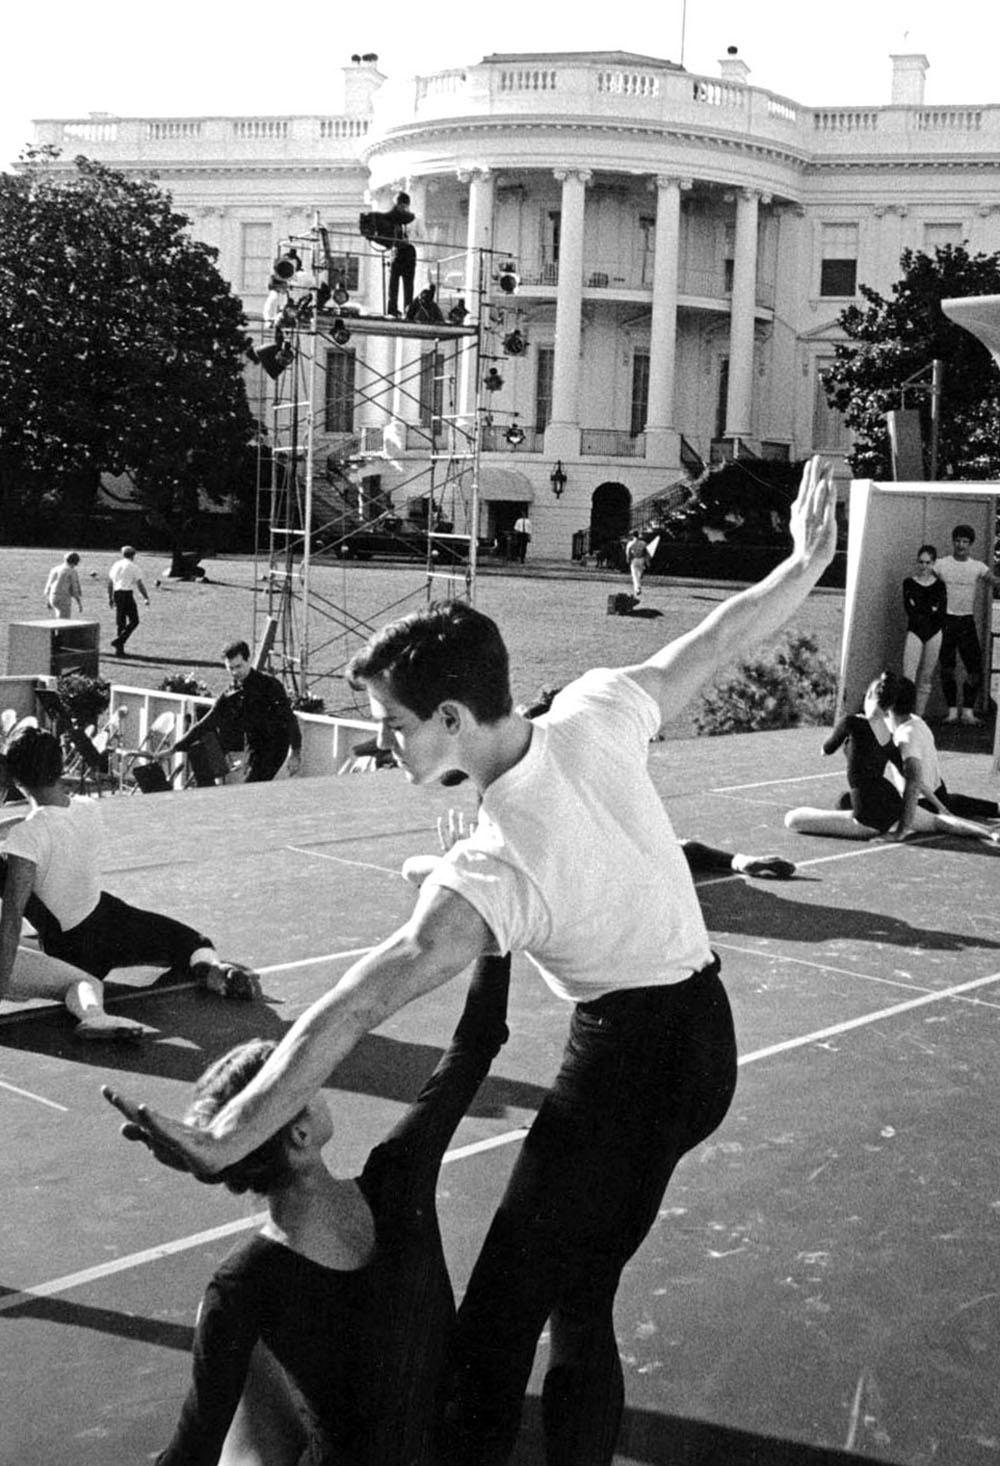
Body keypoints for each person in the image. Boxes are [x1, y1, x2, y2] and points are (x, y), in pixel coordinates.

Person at [105, 457, 837, 1466]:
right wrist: (804, 561)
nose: (385, 741)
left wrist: (233, 1132)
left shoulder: (495, 867)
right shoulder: (595, 706)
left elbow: (358, 1001)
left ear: (452, 717)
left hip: (629, 1061)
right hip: (704, 1042)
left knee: (503, 1324)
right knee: (580, 1289)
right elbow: (712, 641)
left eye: (397, 725)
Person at [152, 954, 510, 1466]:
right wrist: (498, 927)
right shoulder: (398, 1180)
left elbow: (192, 1449)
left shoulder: (241, 1284)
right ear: (299, 1135)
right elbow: (476, 1043)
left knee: (256, 1372)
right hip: (449, 1453)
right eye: (306, 1083)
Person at [0, 727, 262, 1011]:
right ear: (59, 767)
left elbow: (13, 915)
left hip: (70, 951)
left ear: (17, 778)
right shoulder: (88, 809)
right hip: (107, 925)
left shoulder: (26, 836)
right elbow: (50, 823)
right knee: (191, 941)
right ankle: (211, 967)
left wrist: (2, 984)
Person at [785, 672, 998, 844]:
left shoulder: (853, 723)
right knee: (938, 821)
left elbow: (826, 750)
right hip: (892, 801)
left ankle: (986, 824)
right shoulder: (889, 736)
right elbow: (915, 780)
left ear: (869, 697)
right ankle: (989, 832)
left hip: (869, 817)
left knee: (792, 819)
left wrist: (901, 832)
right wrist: (941, 807)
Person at [168, 640, 302, 784]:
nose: (235, 672)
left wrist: (295, 753)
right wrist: (174, 748)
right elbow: (206, 723)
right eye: (230, 668)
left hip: (275, 745)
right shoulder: (230, 694)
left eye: (239, 666)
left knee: (251, 787)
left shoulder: (270, 685)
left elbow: (289, 718)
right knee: (250, 790)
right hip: (253, 747)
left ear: (248, 660)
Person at [884, 672, 999, 829]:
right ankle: (996, 808)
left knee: (849, 801)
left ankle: (985, 825)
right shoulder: (916, 721)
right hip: (938, 789)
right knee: (954, 802)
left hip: (922, 801)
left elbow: (916, 783)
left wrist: (941, 809)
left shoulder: (905, 738)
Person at [934, 524, 996, 724]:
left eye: (965, 542)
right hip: (946, 621)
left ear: (970, 545)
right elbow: (925, 581)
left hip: (966, 622)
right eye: (958, 541)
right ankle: (952, 712)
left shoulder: (977, 566)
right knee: (947, 668)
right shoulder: (941, 564)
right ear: (953, 542)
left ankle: (968, 712)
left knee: (975, 669)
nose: (961, 545)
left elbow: (994, 581)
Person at [901, 544, 946, 716]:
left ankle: (918, 716)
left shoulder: (940, 586)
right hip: (915, 631)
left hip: (934, 633)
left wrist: (921, 607)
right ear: (917, 562)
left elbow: (940, 612)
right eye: (921, 562)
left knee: (926, 677)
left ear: (933, 563)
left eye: (928, 562)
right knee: (908, 678)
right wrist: (929, 608)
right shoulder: (909, 583)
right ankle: (905, 715)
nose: (924, 566)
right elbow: (910, 610)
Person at [107, 545, 150, 656]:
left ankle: (119, 650)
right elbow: (139, 584)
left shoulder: (116, 565)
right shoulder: (133, 567)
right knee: (134, 621)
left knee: (120, 622)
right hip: (126, 594)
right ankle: (119, 641)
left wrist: (110, 597)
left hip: (117, 593)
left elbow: (110, 582)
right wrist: (145, 597)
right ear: (133, 555)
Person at [43, 551, 83, 619]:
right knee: (64, 621)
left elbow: (49, 585)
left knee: (58, 617)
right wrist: (79, 603)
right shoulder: (72, 571)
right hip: (63, 598)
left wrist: (48, 600)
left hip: (53, 597)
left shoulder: (55, 569)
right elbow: (74, 589)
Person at [624, 531, 651, 599]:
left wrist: (627, 559)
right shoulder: (643, 543)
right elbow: (647, 552)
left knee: (634, 575)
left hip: (634, 559)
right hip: (642, 559)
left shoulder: (630, 543)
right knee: (639, 574)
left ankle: (637, 588)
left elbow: (628, 552)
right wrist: (647, 561)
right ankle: (638, 586)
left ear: (633, 536)